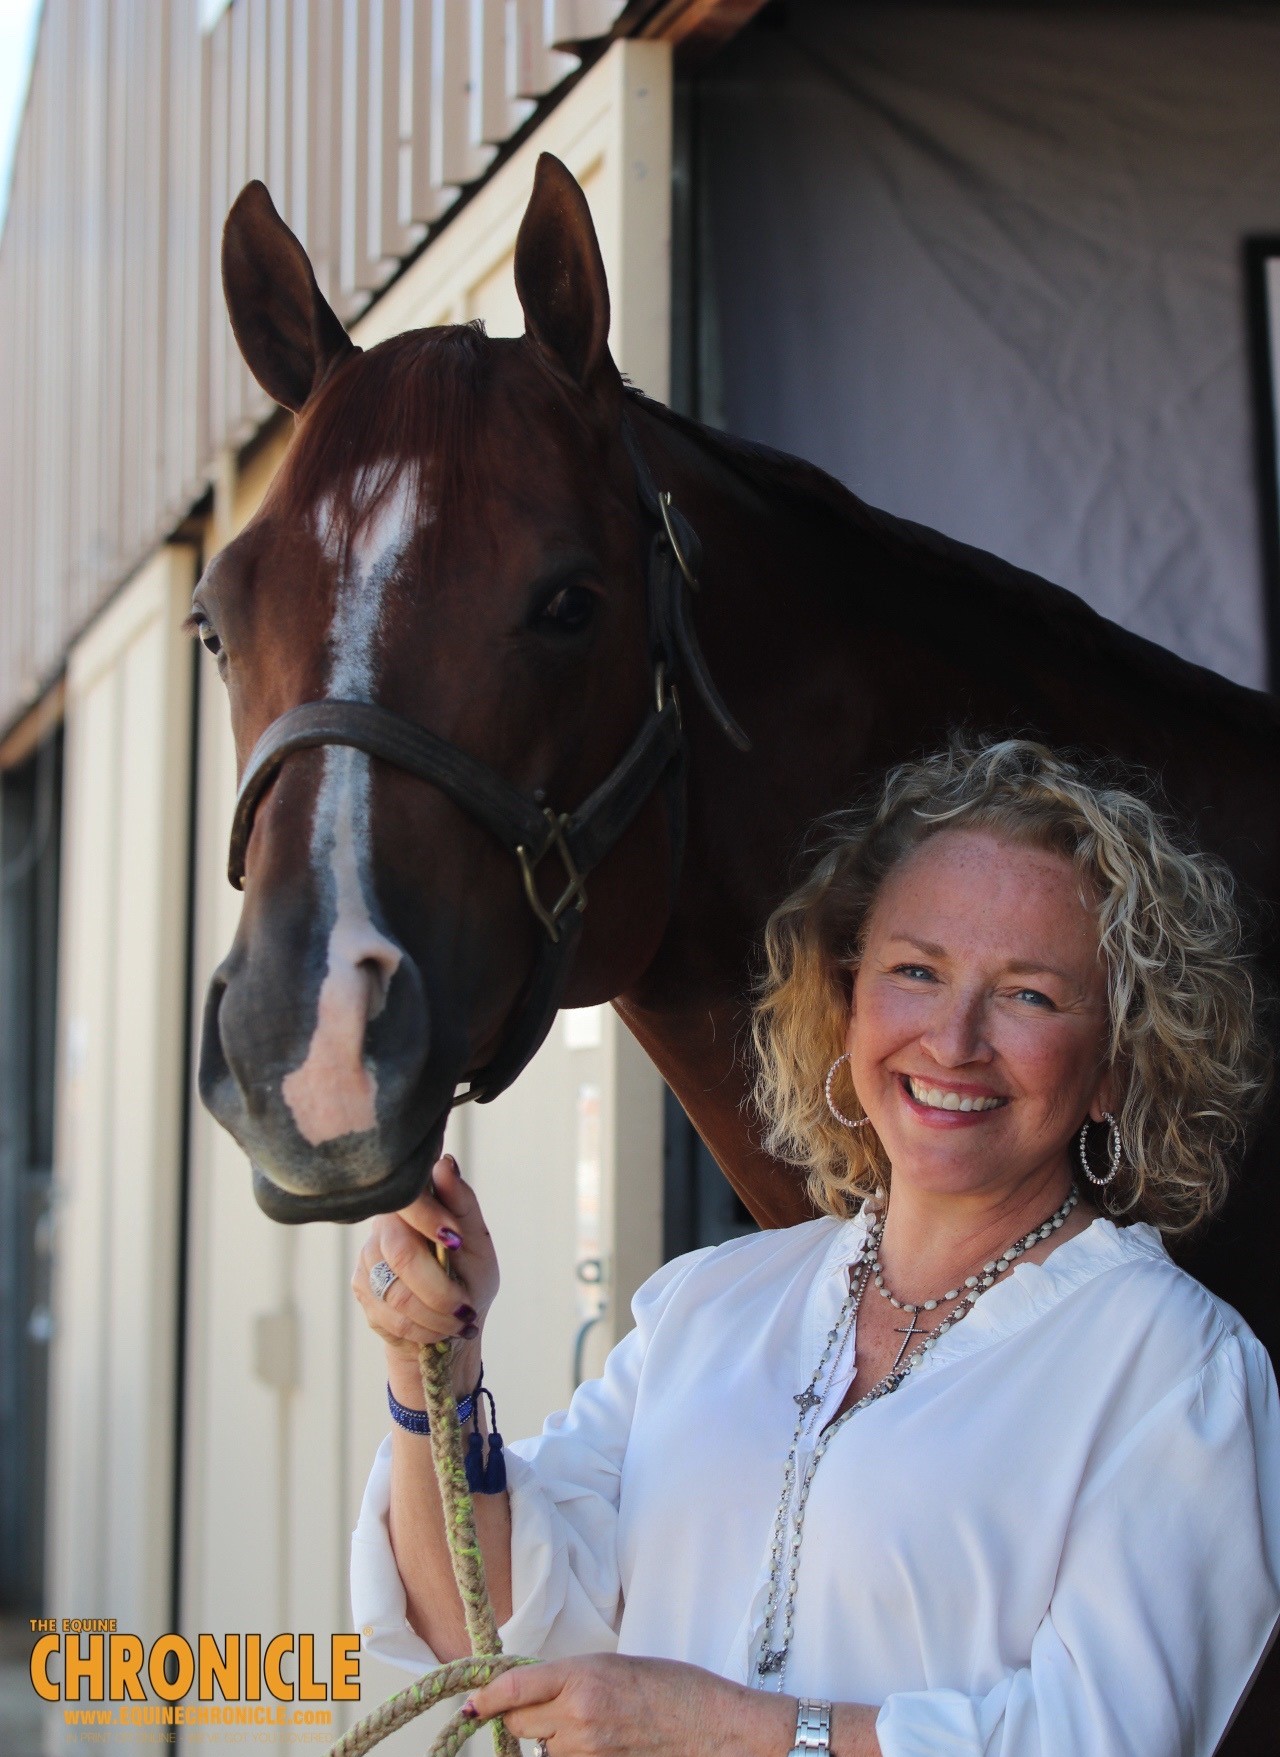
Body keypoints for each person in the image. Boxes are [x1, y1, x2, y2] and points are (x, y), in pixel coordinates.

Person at [350, 737, 1280, 1757]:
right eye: (914, 971)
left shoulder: (1172, 1365)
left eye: (1027, 993)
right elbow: (483, 1622)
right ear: (844, 1005)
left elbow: (1110, 1736)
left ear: (1113, 1063)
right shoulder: (708, 1304)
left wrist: (732, 1730)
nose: (953, 1038)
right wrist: (429, 1361)